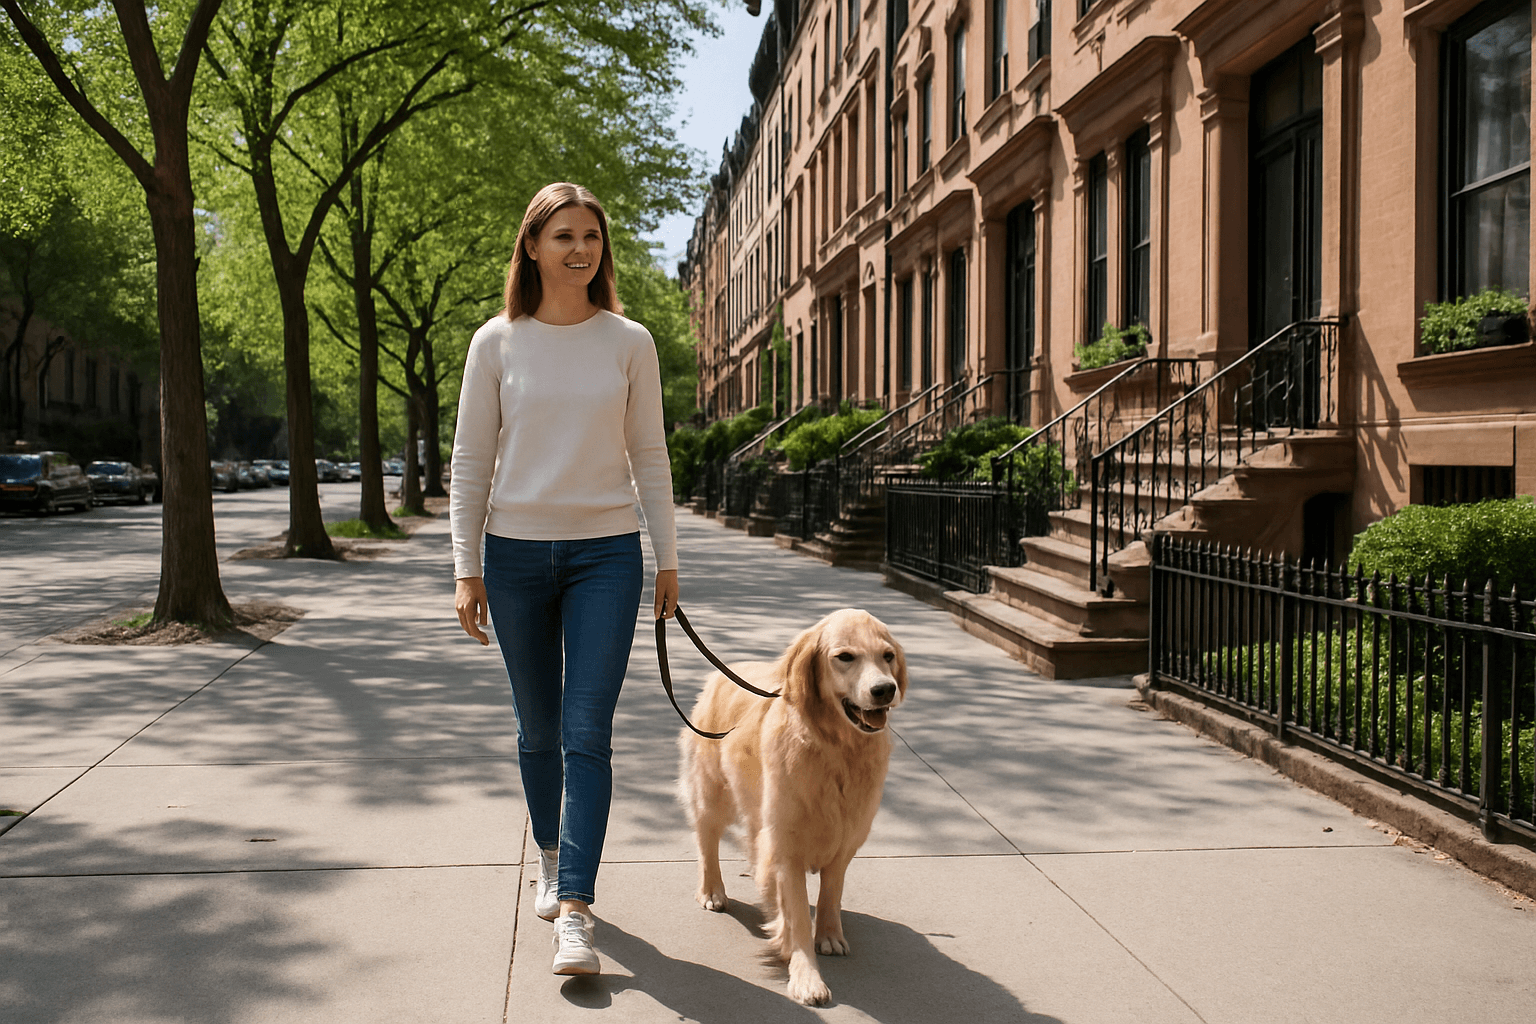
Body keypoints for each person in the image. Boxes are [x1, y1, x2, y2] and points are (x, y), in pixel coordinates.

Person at [450, 181, 679, 977]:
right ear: (532, 246)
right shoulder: (496, 343)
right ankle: (550, 858)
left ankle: (575, 910)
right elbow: (471, 460)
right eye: (563, 236)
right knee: (538, 729)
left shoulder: (630, 342)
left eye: (591, 236)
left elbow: (649, 453)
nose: (580, 249)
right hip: (513, 556)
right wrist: (465, 568)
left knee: (588, 733)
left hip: (606, 556)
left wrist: (667, 556)